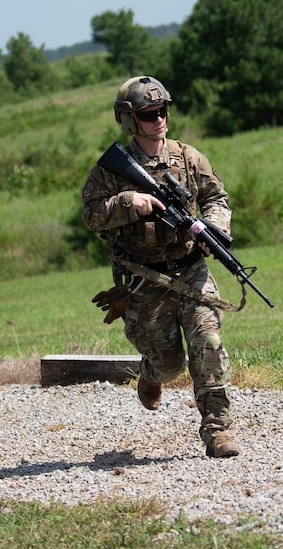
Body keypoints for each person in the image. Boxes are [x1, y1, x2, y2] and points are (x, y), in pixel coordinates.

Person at [81, 75, 240, 458]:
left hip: (190, 268)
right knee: (169, 365)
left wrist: (214, 229)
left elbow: (217, 197)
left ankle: (217, 429)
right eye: (150, 114)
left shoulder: (188, 158)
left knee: (208, 343)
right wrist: (126, 202)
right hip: (143, 279)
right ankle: (151, 374)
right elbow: (90, 215)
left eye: (163, 111)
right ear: (131, 121)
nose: (159, 119)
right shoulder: (114, 170)